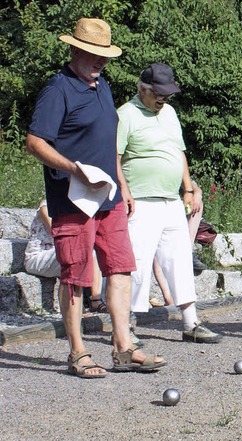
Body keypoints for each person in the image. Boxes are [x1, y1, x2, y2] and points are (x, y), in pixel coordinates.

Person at [25, 18, 166, 377]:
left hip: (109, 198)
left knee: (120, 267)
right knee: (75, 275)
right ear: (75, 50)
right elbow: (35, 142)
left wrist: (122, 184)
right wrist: (73, 168)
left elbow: (107, 142)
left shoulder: (101, 86)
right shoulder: (58, 89)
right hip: (73, 199)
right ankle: (78, 353)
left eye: (104, 55)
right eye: (93, 54)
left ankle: (124, 347)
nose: (100, 62)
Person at [117, 62, 222, 343]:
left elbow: (178, 151)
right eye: (159, 95)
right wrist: (124, 191)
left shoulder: (170, 113)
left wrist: (188, 188)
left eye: (168, 94)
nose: (164, 99)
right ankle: (127, 325)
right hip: (140, 201)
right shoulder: (126, 115)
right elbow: (114, 156)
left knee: (180, 261)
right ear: (143, 89)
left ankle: (191, 323)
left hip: (170, 200)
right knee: (137, 264)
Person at [24, 200, 105, 314]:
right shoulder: (45, 207)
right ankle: (88, 303)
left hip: (57, 254)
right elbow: (56, 232)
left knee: (90, 252)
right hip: (38, 257)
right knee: (78, 254)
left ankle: (95, 300)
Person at [150, 179, 206, 308]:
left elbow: (194, 185)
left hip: (176, 207)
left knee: (198, 203)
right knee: (159, 250)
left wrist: (196, 194)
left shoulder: (174, 166)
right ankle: (168, 297)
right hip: (156, 206)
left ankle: (188, 249)